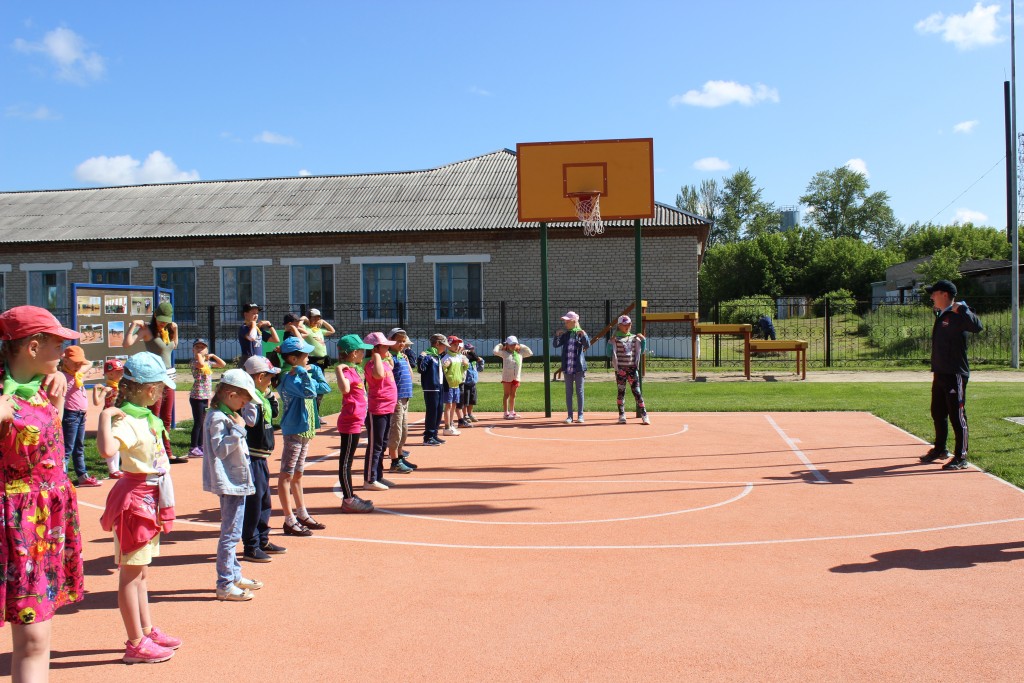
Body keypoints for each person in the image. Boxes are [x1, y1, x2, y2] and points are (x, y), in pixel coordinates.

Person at [0, 306, 85, 679]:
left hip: (41, 526)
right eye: (57, 344)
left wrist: (59, 390)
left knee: (36, 639)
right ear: (32, 347)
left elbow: (50, 442)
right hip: (10, 525)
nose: (63, 352)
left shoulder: (45, 384)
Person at [97, 351, 180, 664]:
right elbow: (107, 450)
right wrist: (105, 416)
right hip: (135, 504)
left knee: (141, 572)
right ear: (150, 389)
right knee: (131, 575)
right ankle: (135, 643)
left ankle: (145, 631)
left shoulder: (145, 417)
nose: (162, 393)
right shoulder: (127, 420)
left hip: (149, 499)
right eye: (161, 388)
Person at [202, 369, 264, 601]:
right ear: (230, 395)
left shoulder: (227, 413)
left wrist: (239, 424)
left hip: (236, 480)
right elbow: (220, 449)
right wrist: (238, 429)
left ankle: (234, 575)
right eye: (243, 401)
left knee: (234, 532)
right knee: (230, 535)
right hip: (230, 482)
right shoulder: (218, 418)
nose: (244, 405)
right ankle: (225, 583)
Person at [919, 279, 983, 471]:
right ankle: (940, 449)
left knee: (957, 415)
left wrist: (962, 308)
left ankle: (961, 456)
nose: (931, 297)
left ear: (944, 294)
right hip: (940, 372)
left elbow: (977, 327)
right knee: (937, 412)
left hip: (955, 373)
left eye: (934, 293)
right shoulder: (942, 313)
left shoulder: (959, 313)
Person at [277, 336, 330, 536]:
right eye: (305, 355)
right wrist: (303, 373)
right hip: (294, 429)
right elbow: (309, 393)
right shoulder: (289, 379)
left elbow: (325, 388)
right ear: (293, 359)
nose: (309, 357)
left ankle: (302, 513)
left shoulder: (304, 374)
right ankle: (289, 519)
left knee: (298, 474)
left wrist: (314, 371)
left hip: (305, 429)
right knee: (286, 474)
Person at [240, 356, 288, 561]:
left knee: (265, 500)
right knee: (254, 501)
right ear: (259, 377)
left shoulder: (263, 397)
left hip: (262, 456)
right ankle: (251, 545)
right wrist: (255, 399)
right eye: (269, 378)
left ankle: (262, 540)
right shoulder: (249, 399)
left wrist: (269, 395)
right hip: (252, 456)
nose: (272, 381)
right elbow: (250, 422)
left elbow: (274, 413)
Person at [125, 302, 182, 463]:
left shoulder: (167, 330)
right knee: (154, 416)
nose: (163, 323)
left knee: (166, 417)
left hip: (169, 377)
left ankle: (167, 452)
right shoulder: (147, 330)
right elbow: (127, 344)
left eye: (166, 320)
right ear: (155, 315)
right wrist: (133, 326)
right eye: (161, 320)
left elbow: (173, 346)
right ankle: (151, 452)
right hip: (154, 378)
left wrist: (175, 330)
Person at [335, 334, 375, 513]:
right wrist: (338, 369)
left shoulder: (353, 369)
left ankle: (350, 495)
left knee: (347, 462)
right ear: (352, 353)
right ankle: (348, 500)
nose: (363, 354)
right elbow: (345, 389)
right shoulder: (345, 371)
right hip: (350, 422)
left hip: (356, 421)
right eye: (361, 351)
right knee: (346, 463)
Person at [362, 332, 399, 491]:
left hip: (388, 408)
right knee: (375, 446)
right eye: (385, 347)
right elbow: (378, 375)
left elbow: (390, 368)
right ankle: (369, 479)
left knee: (383, 444)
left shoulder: (383, 363)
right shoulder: (371, 365)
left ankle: (378, 475)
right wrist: (377, 356)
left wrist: (385, 358)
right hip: (377, 409)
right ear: (375, 349)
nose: (388, 349)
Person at [60, 345, 100, 486]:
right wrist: (64, 358)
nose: (79, 365)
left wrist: (78, 363)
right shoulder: (62, 377)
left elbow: (89, 363)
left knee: (79, 447)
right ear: (65, 361)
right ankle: (61, 479)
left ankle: (82, 477)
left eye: (80, 363)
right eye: (75, 363)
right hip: (70, 416)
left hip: (81, 415)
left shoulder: (78, 374)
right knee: (67, 449)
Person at [188, 338, 227, 458]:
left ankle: (200, 445)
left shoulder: (208, 363)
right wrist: (200, 355)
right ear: (193, 350)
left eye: (202, 347)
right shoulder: (194, 361)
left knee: (203, 422)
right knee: (198, 422)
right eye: (197, 347)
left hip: (205, 396)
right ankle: (193, 447)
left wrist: (213, 356)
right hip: (197, 397)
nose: (200, 349)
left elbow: (223, 364)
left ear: (207, 350)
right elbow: (200, 364)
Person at [386, 328, 417, 474]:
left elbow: (410, 376)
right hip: (396, 398)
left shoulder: (402, 356)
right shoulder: (389, 357)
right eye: (398, 341)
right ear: (390, 341)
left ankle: (400, 456)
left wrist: (407, 361)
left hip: (405, 397)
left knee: (404, 430)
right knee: (396, 430)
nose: (402, 344)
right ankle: (394, 461)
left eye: (403, 341)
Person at [608, 315, 650, 425]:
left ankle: (644, 415)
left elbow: (641, 351)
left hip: (632, 369)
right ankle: (622, 415)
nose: (627, 326)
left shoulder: (634, 338)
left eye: (629, 324)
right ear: (619, 325)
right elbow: (608, 354)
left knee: (637, 392)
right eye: (624, 324)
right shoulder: (615, 339)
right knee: (621, 392)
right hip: (620, 370)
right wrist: (610, 343)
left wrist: (643, 340)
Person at [553, 311, 591, 424]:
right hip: (567, 367)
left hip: (579, 367)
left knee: (579, 391)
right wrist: (557, 336)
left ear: (574, 321)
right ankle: (569, 416)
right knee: (569, 392)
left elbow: (587, 345)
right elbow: (556, 345)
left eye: (567, 321)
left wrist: (584, 335)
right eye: (565, 321)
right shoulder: (566, 335)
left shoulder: (579, 333)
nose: (565, 323)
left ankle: (580, 415)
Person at [93, 357, 127, 478]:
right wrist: (95, 390)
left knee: (118, 442)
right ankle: (113, 470)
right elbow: (97, 402)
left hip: (118, 416)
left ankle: (117, 468)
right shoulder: (108, 389)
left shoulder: (120, 386)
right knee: (111, 442)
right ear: (110, 374)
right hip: (109, 418)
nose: (121, 373)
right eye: (118, 371)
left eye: (121, 371)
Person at [303, 308, 335, 422]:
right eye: (314, 317)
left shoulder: (319, 330)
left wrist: (324, 322)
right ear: (309, 318)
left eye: (318, 317)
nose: (317, 319)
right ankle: (310, 414)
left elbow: (332, 331)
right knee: (312, 387)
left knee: (321, 388)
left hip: (321, 362)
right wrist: (303, 319)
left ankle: (316, 414)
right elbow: (299, 327)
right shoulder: (306, 329)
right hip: (312, 361)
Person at [418, 334, 449, 446]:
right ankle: (428, 437)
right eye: (443, 345)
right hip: (431, 388)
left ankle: (434, 434)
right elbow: (421, 369)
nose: (445, 347)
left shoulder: (437, 357)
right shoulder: (428, 356)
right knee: (432, 412)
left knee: (439, 411)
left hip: (439, 387)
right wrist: (422, 357)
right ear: (437, 344)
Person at [493, 335, 533, 419]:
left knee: (513, 395)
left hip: (516, 378)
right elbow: (495, 351)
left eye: (515, 344)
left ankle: (512, 411)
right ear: (507, 345)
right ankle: (506, 413)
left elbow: (530, 353)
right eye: (511, 344)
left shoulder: (520, 353)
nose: (513, 346)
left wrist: (521, 345)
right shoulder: (504, 353)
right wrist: (501, 345)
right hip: (507, 377)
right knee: (506, 394)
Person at [441, 335, 469, 435]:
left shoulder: (458, 357)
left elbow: (462, 370)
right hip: (448, 385)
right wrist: (445, 366)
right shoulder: (446, 358)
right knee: (448, 406)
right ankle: (447, 427)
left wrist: (466, 365)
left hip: (456, 385)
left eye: (458, 345)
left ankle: (451, 424)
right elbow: (442, 372)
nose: (457, 347)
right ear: (448, 346)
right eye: (454, 345)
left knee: (453, 405)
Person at [458, 343, 484, 426]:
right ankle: (465, 415)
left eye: (472, 349)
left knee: (472, 400)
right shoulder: (463, 358)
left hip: (473, 383)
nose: (471, 351)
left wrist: (479, 360)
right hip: (466, 383)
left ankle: (470, 414)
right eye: (469, 349)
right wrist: (464, 354)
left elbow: (480, 367)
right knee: (465, 401)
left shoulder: (474, 359)